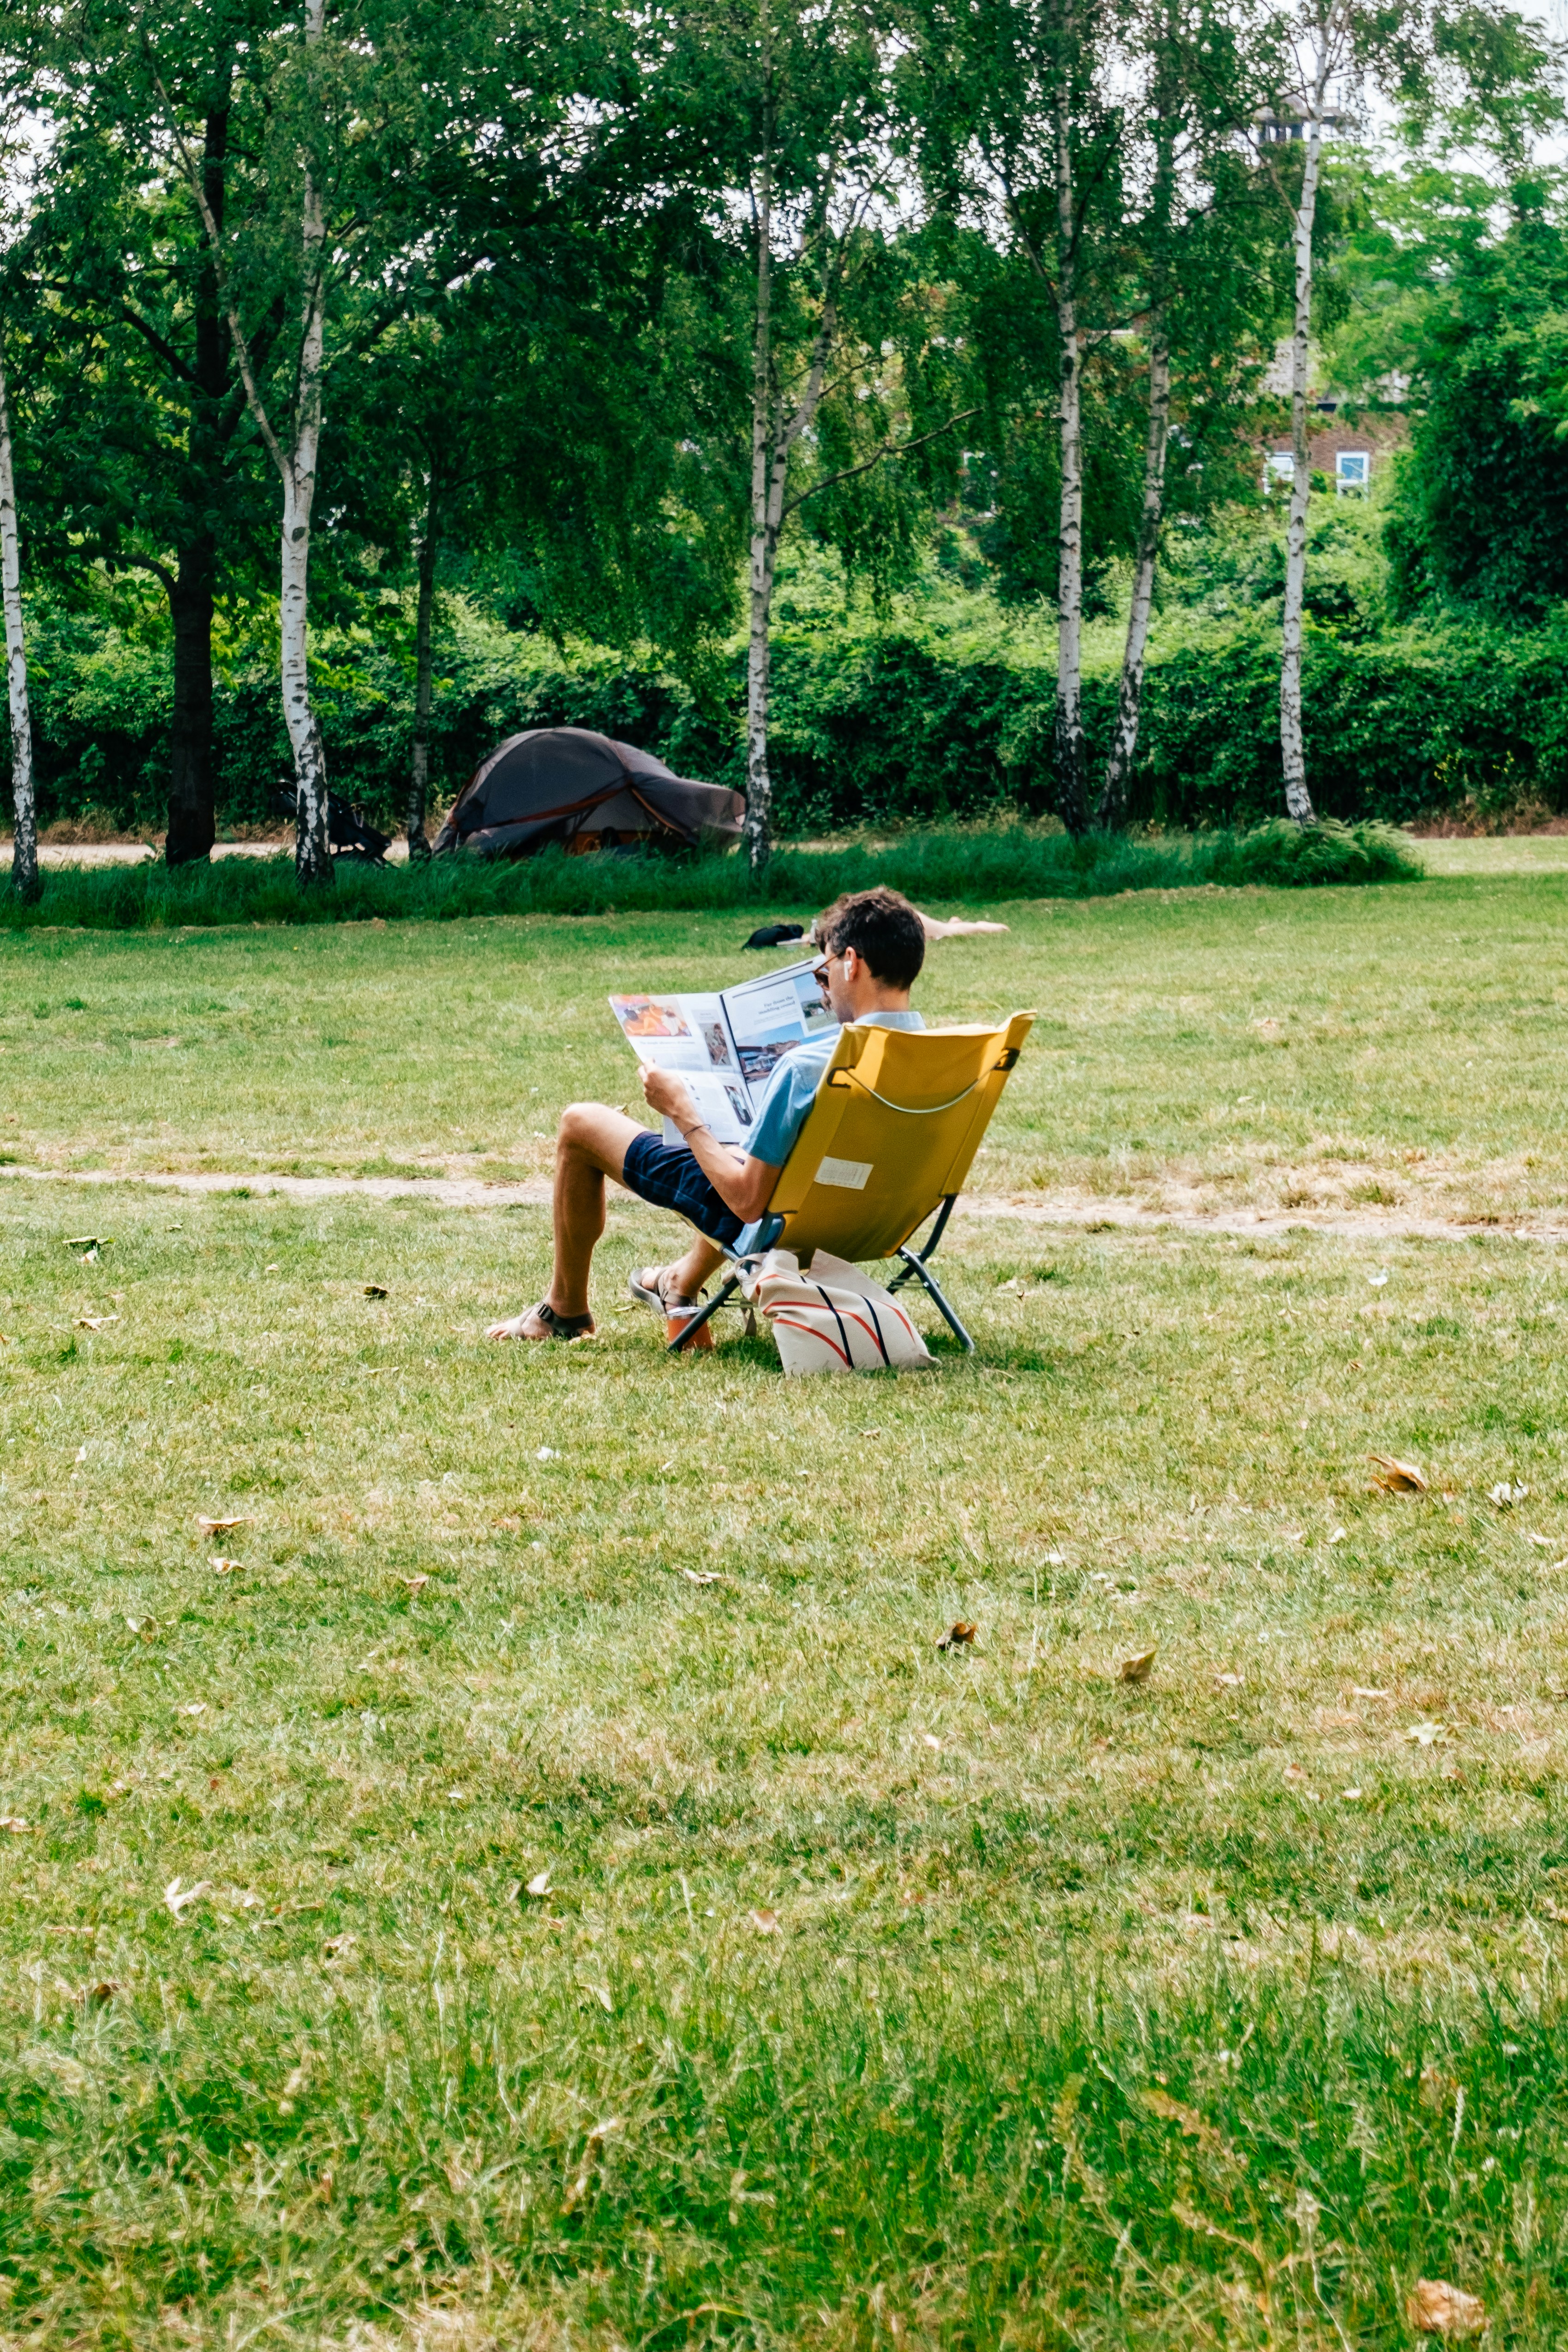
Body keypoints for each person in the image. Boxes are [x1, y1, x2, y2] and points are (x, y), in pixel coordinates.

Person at [485, 886, 929, 1342]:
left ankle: (564, 1311)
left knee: (580, 1123)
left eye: (825, 970)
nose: (826, 985)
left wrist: (683, 1113)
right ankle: (678, 1281)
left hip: (777, 1224)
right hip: (877, 1223)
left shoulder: (805, 1068)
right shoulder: (943, 1059)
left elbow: (746, 1201)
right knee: (739, 1148)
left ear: (851, 962)